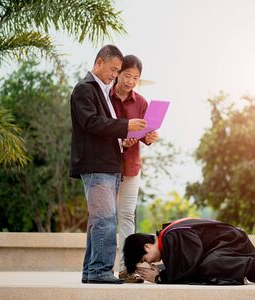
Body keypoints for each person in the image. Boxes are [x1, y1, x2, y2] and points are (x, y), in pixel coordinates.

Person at [69, 45, 147, 284]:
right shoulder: (85, 89)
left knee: (98, 220)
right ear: (99, 62)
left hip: (108, 165)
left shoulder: (101, 91)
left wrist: (127, 136)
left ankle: (90, 271)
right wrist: (125, 126)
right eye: (113, 69)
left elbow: (104, 126)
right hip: (96, 165)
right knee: (105, 219)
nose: (115, 74)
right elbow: (91, 123)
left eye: (117, 70)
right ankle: (101, 271)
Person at [123, 218, 255, 285]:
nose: (150, 263)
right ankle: (248, 270)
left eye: (145, 259)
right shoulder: (168, 237)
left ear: (147, 246)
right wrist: (163, 273)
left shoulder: (171, 237)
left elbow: (191, 264)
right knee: (207, 267)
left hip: (235, 245)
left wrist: (161, 278)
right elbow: (186, 264)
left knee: (207, 266)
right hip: (228, 250)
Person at [110, 54, 159, 283]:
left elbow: (145, 134)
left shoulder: (141, 102)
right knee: (106, 217)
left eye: (136, 78)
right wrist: (121, 139)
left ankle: (126, 268)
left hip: (131, 166)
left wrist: (150, 136)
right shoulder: (105, 98)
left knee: (127, 215)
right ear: (118, 73)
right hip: (106, 166)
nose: (130, 81)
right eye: (127, 75)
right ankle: (101, 267)